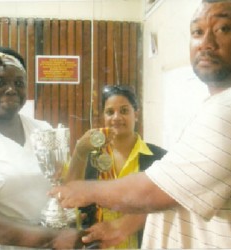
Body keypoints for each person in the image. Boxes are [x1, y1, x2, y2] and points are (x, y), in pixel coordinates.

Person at [51, 0, 231, 248]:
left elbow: (153, 192)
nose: (206, 43)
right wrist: (121, 227)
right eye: (197, 32)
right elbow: (180, 190)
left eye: (224, 29)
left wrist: (85, 190)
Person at [0, 46, 83, 249]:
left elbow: (61, 186)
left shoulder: (42, 129)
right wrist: (51, 238)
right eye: (0, 82)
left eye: (19, 83)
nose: (11, 89)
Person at [64, 85, 167, 249]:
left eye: (124, 111)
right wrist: (79, 152)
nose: (116, 117)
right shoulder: (90, 157)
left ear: (136, 115)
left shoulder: (159, 157)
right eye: (110, 112)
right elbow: (68, 195)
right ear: (103, 117)